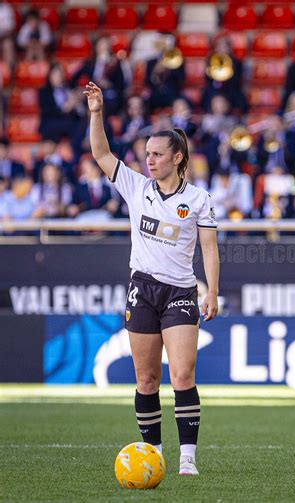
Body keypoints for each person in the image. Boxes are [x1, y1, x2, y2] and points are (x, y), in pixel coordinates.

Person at [84, 81, 219, 476]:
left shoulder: (198, 199)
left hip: (180, 291)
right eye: (147, 155)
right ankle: (153, 454)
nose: (150, 161)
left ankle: (188, 458)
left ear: (178, 158)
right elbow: (100, 153)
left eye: (158, 155)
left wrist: (212, 290)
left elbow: (209, 248)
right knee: (146, 378)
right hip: (142, 289)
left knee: (182, 375)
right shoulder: (135, 187)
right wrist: (96, 113)